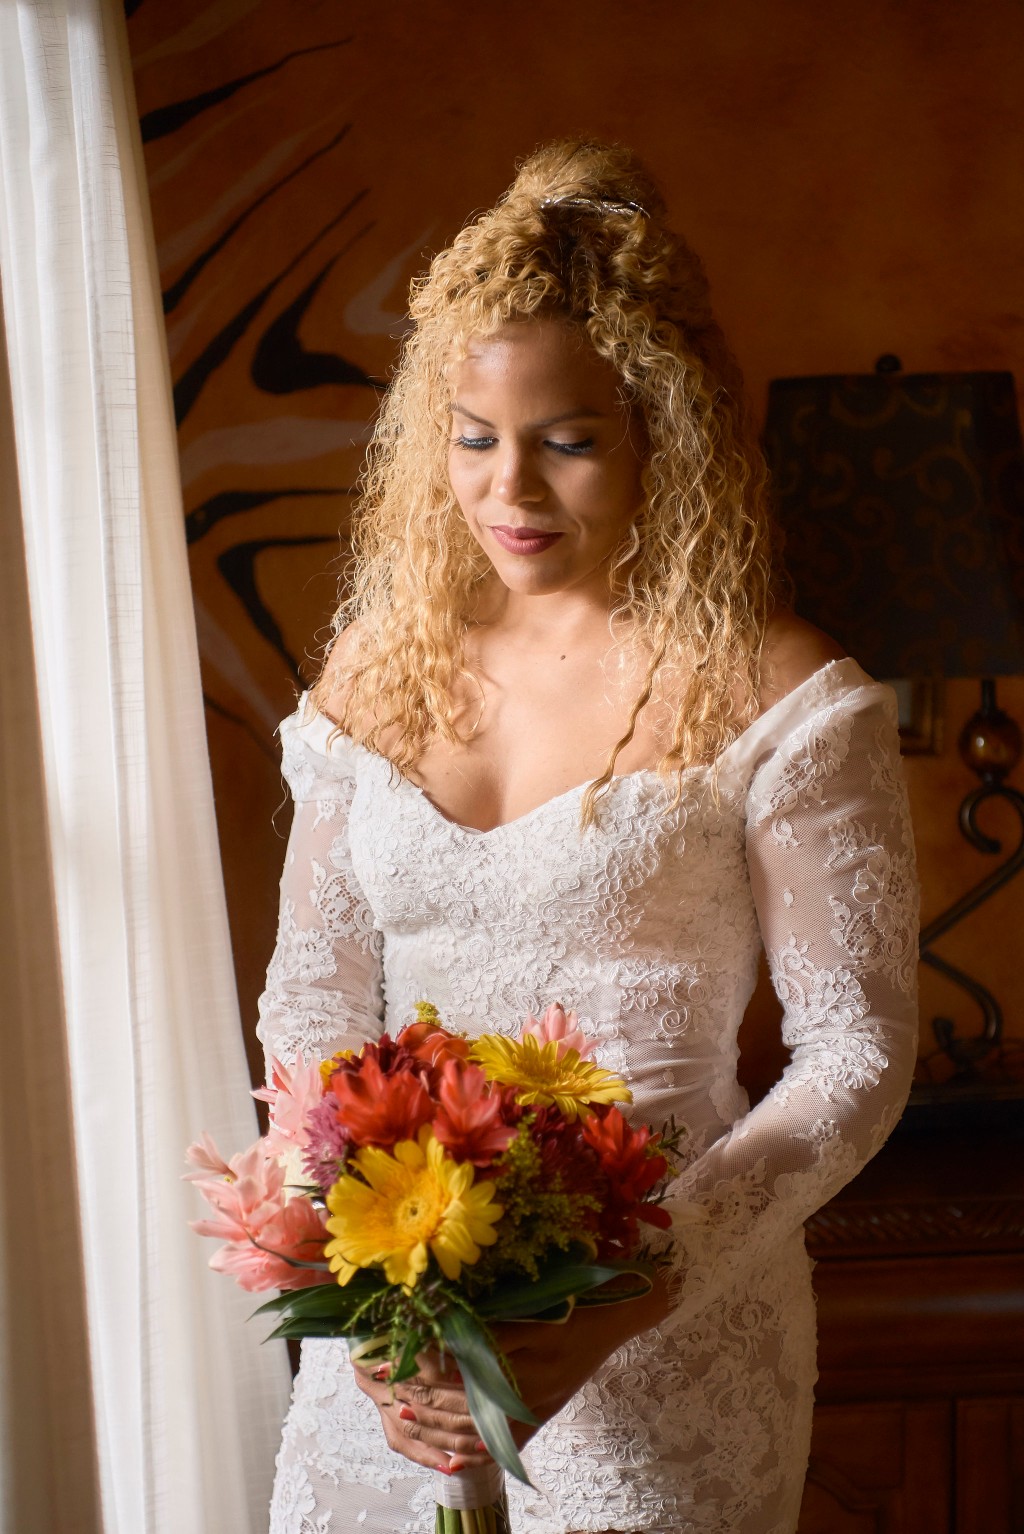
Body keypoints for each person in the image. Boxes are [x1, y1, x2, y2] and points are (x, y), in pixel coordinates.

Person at [261, 140, 919, 1534]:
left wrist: (632, 1285)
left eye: (569, 440)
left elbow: (857, 1054)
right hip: (399, 1356)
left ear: (659, 429)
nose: (511, 491)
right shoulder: (373, 674)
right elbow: (311, 1010)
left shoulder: (777, 689)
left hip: (669, 1343)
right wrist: (382, 1308)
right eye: (474, 437)